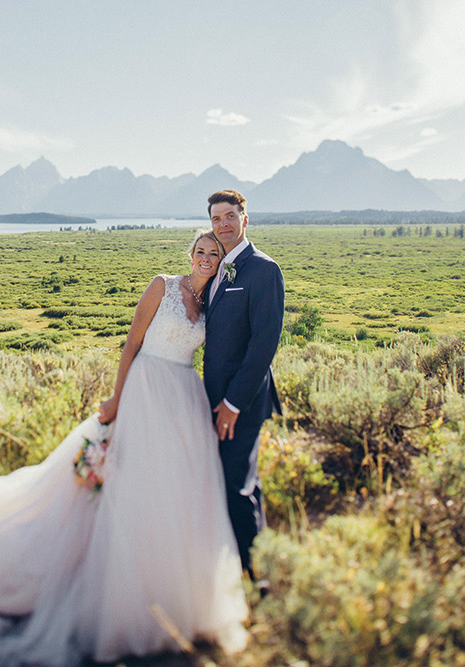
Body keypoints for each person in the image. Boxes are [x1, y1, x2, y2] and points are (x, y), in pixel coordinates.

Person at [0, 230, 248, 666]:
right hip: (145, 390)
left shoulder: (212, 301)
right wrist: (116, 400)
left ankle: (172, 596)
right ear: (190, 254)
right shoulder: (162, 284)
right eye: (199, 250)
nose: (204, 257)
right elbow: (131, 345)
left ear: (222, 260)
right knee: (128, 485)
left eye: (213, 253)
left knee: (175, 494)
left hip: (183, 399)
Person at [202, 190, 284, 588]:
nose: (224, 225)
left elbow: (263, 345)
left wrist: (233, 403)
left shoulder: (264, 270)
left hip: (243, 401)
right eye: (217, 219)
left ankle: (258, 583)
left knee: (236, 483)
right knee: (242, 479)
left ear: (245, 219)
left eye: (230, 217)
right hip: (214, 398)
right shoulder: (216, 268)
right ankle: (253, 560)